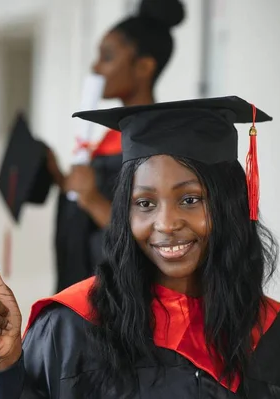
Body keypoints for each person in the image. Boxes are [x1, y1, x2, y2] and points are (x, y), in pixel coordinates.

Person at [0, 96, 280, 398]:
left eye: (190, 199)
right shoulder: (71, 326)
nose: (166, 224)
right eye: (145, 203)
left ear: (231, 205)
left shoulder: (277, 337)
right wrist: (7, 364)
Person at [50, 0, 185, 292]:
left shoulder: (155, 144)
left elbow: (153, 235)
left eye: (107, 57)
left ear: (144, 67)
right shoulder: (118, 131)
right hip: (80, 281)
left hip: (116, 297)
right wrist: (60, 177)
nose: (95, 67)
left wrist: (90, 198)